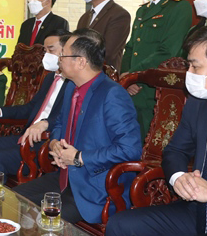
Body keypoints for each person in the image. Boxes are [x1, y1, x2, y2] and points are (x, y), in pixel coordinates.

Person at [106, 23, 207, 236]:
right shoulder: (198, 104)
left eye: (195, 67)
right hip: (196, 210)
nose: (188, 74)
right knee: (119, 226)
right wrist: (178, 178)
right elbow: (175, 150)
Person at [13, 28, 141, 224]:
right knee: (13, 200)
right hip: (66, 177)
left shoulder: (112, 95)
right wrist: (55, 142)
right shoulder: (72, 86)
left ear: (81, 61)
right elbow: (61, 122)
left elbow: (130, 150)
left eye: (63, 55)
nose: (59, 60)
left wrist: (79, 158)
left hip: (96, 188)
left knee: (41, 221)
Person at [0, 29, 71, 174]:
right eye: (44, 51)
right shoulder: (50, 78)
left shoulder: (74, 83)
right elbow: (29, 108)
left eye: (50, 50)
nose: (46, 55)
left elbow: (69, 117)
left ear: (67, 51)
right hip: (26, 137)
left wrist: (45, 124)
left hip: (47, 142)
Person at [121, 0, 193, 142]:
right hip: (133, 88)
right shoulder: (143, 10)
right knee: (129, 142)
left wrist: (133, 75)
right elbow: (130, 47)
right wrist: (125, 75)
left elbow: (168, 50)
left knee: (149, 146)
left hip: (154, 89)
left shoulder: (179, 7)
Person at [77, 0, 131, 71]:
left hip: (104, 74)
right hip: (82, 74)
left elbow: (108, 52)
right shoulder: (85, 17)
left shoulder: (119, 14)